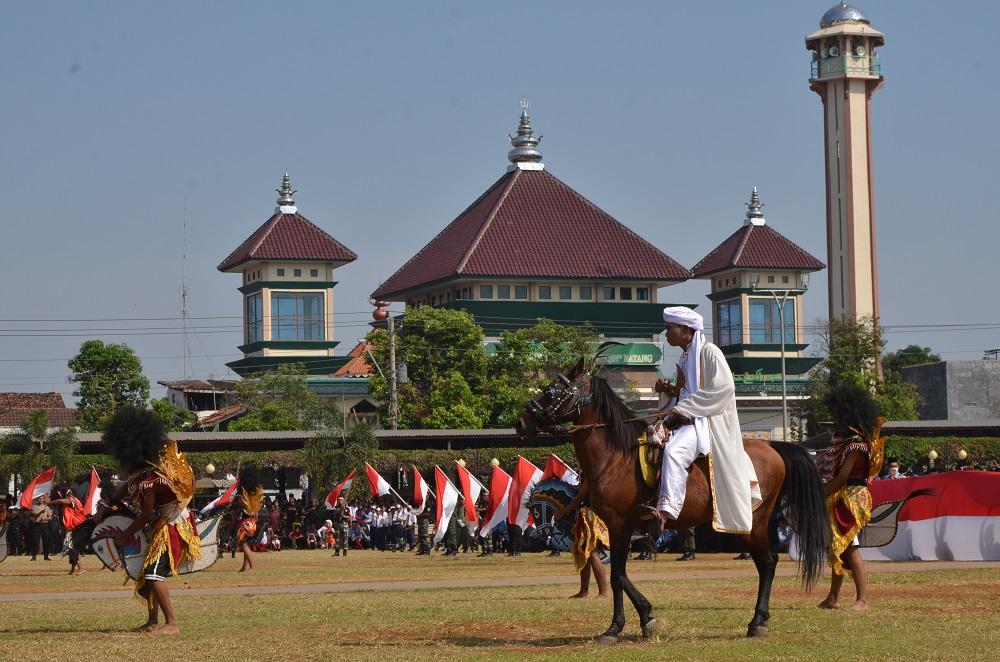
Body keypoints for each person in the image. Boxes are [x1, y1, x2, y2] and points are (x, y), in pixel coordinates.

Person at [651, 306, 762, 534]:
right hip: (685, 419)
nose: (666, 333)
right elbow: (683, 392)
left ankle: (666, 511)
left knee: (673, 452)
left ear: (685, 329)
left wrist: (684, 408)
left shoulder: (710, 352)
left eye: (669, 328)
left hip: (703, 423)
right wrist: (668, 391)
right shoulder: (683, 358)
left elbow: (723, 389)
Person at [100, 407, 200, 634]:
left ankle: (172, 624)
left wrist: (125, 534)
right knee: (147, 576)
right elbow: (120, 492)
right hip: (161, 528)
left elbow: (145, 514)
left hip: (173, 527)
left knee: (154, 574)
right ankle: (153, 622)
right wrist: (107, 506)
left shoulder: (151, 481)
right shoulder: (141, 478)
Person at [817, 383, 885, 611]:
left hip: (851, 498)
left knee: (850, 548)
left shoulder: (856, 445)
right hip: (839, 496)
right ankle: (833, 597)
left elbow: (842, 478)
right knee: (838, 547)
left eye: (837, 415)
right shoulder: (843, 441)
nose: (834, 419)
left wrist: (819, 495)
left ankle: (863, 599)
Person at [233, 467, 264, 573]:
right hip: (252, 522)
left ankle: (252, 567)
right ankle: (244, 567)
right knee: (246, 544)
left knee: (244, 544)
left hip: (246, 522)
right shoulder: (254, 493)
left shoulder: (244, 493)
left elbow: (241, 506)